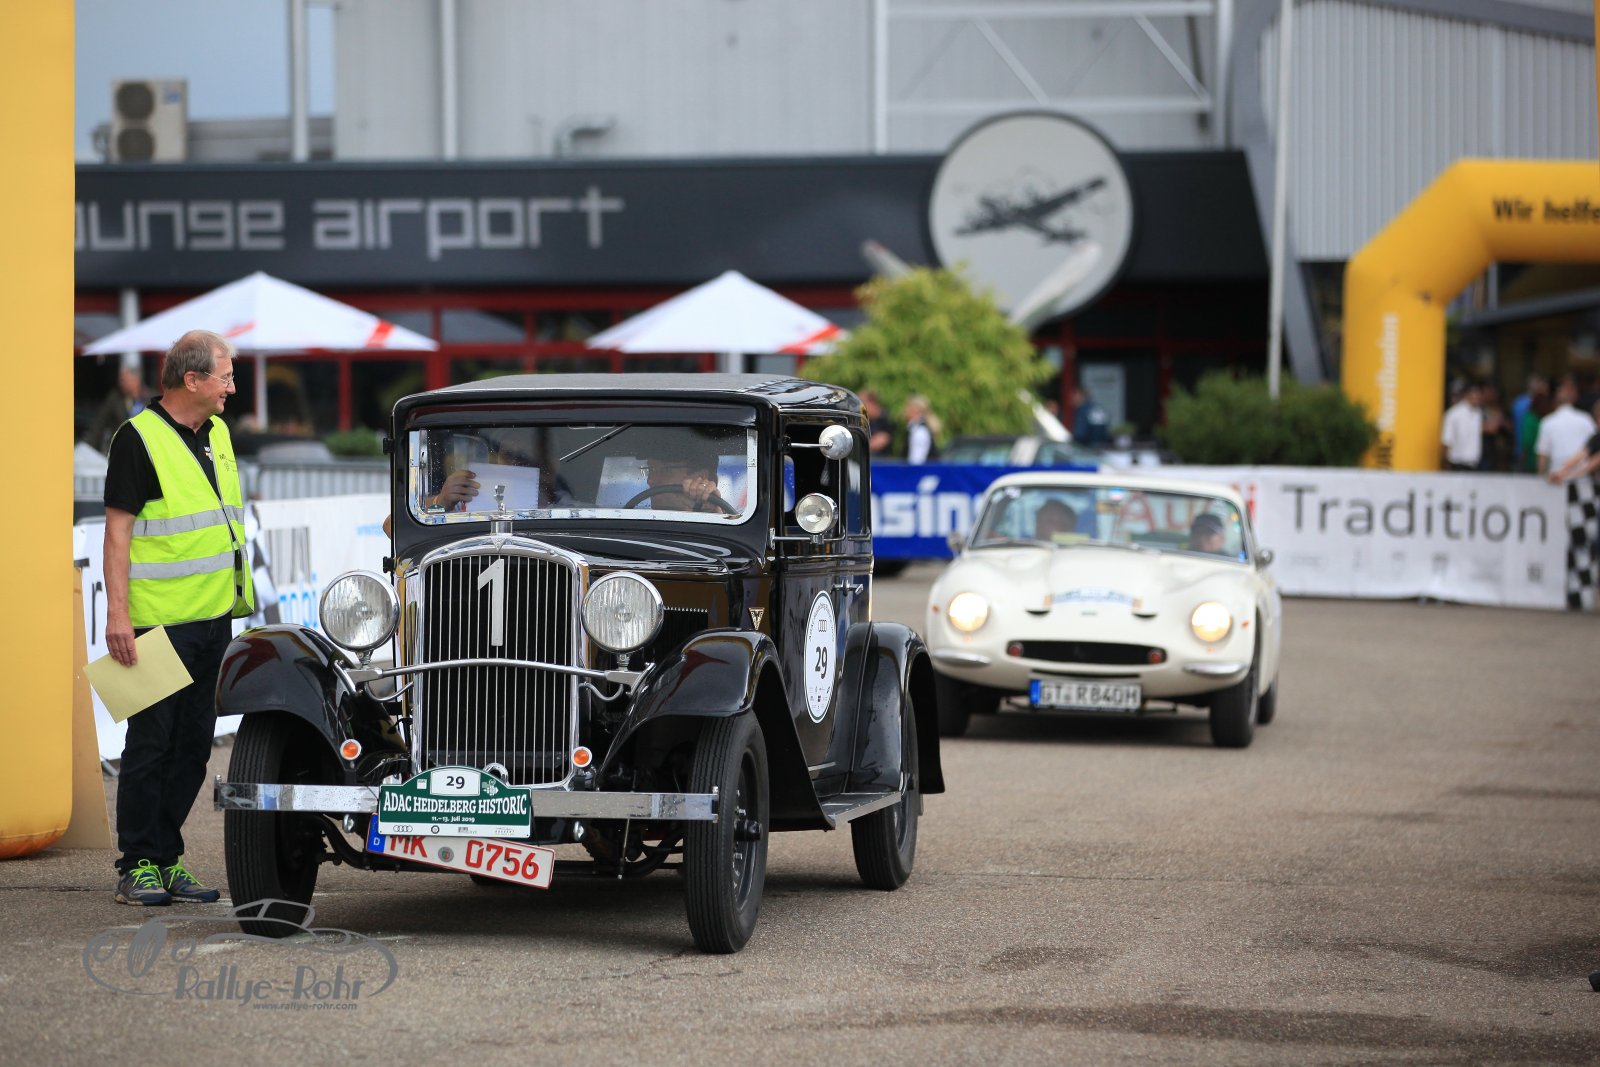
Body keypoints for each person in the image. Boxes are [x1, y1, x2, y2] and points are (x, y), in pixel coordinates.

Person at [102, 329, 255, 906]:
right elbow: (117, 534)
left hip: (213, 617)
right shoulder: (136, 439)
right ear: (191, 379)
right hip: (154, 623)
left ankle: (167, 857)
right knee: (151, 745)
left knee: (193, 748)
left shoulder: (217, 433)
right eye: (225, 376)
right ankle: (137, 863)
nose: (231, 388)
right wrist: (119, 616)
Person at [1534, 376, 1597, 477]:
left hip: (1556, 476)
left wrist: (1541, 478)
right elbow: (1593, 451)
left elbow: (1542, 457)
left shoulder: (1547, 422)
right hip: (1581, 476)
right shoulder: (1586, 420)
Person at [86, 363, 147, 453]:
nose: (121, 383)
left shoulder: (150, 399)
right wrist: (88, 447)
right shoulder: (114, 398)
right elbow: (99, 424)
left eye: (124, 380)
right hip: (119, 451)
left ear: (136, 380)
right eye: (120, 380)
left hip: (143, 451)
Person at [1440, 382, 1483, 471]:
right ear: (1466, 394)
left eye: (1478, 394)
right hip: (1457, 464)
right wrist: (1446, 465)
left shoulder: (1478, 413)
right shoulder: (1453, 414)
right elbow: (1447, 441)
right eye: (1474, 394)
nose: (1477, 397)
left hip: (1474, 464)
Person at [902, 395, 941, 464]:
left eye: (908, 407)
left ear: (915, 410)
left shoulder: (919, 431)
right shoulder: (916, 429)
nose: (905, 410)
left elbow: (916, 461)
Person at [859, 390, 893, 456]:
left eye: (863, 405)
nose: (861, 409)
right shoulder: (866, 420)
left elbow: (881, 441)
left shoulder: (884, 421)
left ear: (872, 403)